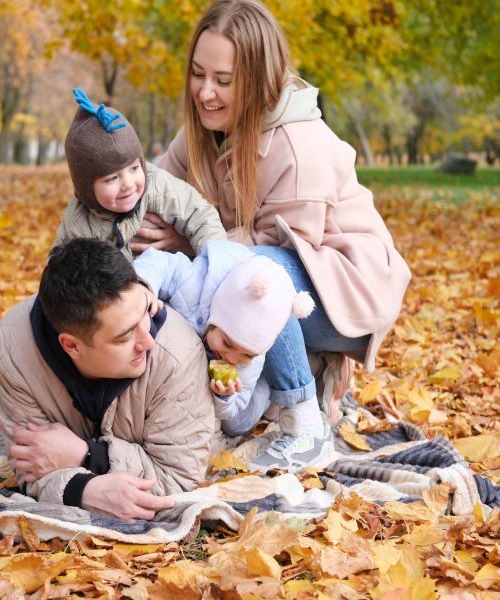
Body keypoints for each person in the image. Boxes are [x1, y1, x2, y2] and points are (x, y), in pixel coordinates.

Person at [130, 0, 411, 420]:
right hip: (258, 270)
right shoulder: (201, 131)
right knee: (193, 280)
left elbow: (279, 250)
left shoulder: (299, 145)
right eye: (198, 74)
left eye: (223, 80)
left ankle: (303, 416)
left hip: (338, 292)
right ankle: (307, 368)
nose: (205, 92)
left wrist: (187, 244)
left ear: (258, 80)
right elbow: (154, 193)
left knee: (251, 276)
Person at [0, 238, 217, 523]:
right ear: (71, 346)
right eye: (125, 337)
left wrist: (87, 456)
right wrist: (82, 491)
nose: (147, 341)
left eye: (144, 313)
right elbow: (32, 465)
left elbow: (178, 477)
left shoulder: (178, 354)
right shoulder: (15, 350)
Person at [134, 240, 333, 471]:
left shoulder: (249, 360)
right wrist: (144, 287)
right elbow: (161, 262)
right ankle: (308, 366)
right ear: (217, 315)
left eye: (246, 354)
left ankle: (271, 391)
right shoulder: (194, 284)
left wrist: (225, 398)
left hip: (248, 394)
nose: (232, 358)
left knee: (236, 426)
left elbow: (234, 410)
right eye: (227, 343)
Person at [56, 88, 225, 261]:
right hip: (114, 278)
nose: (128, 184)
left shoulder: (158, 187)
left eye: (134, 168)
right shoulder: (77, 220)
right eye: (112, 178)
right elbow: (59, 265)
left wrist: (215, 263)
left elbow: (201, 216)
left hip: (172, 272)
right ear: (86, 189)